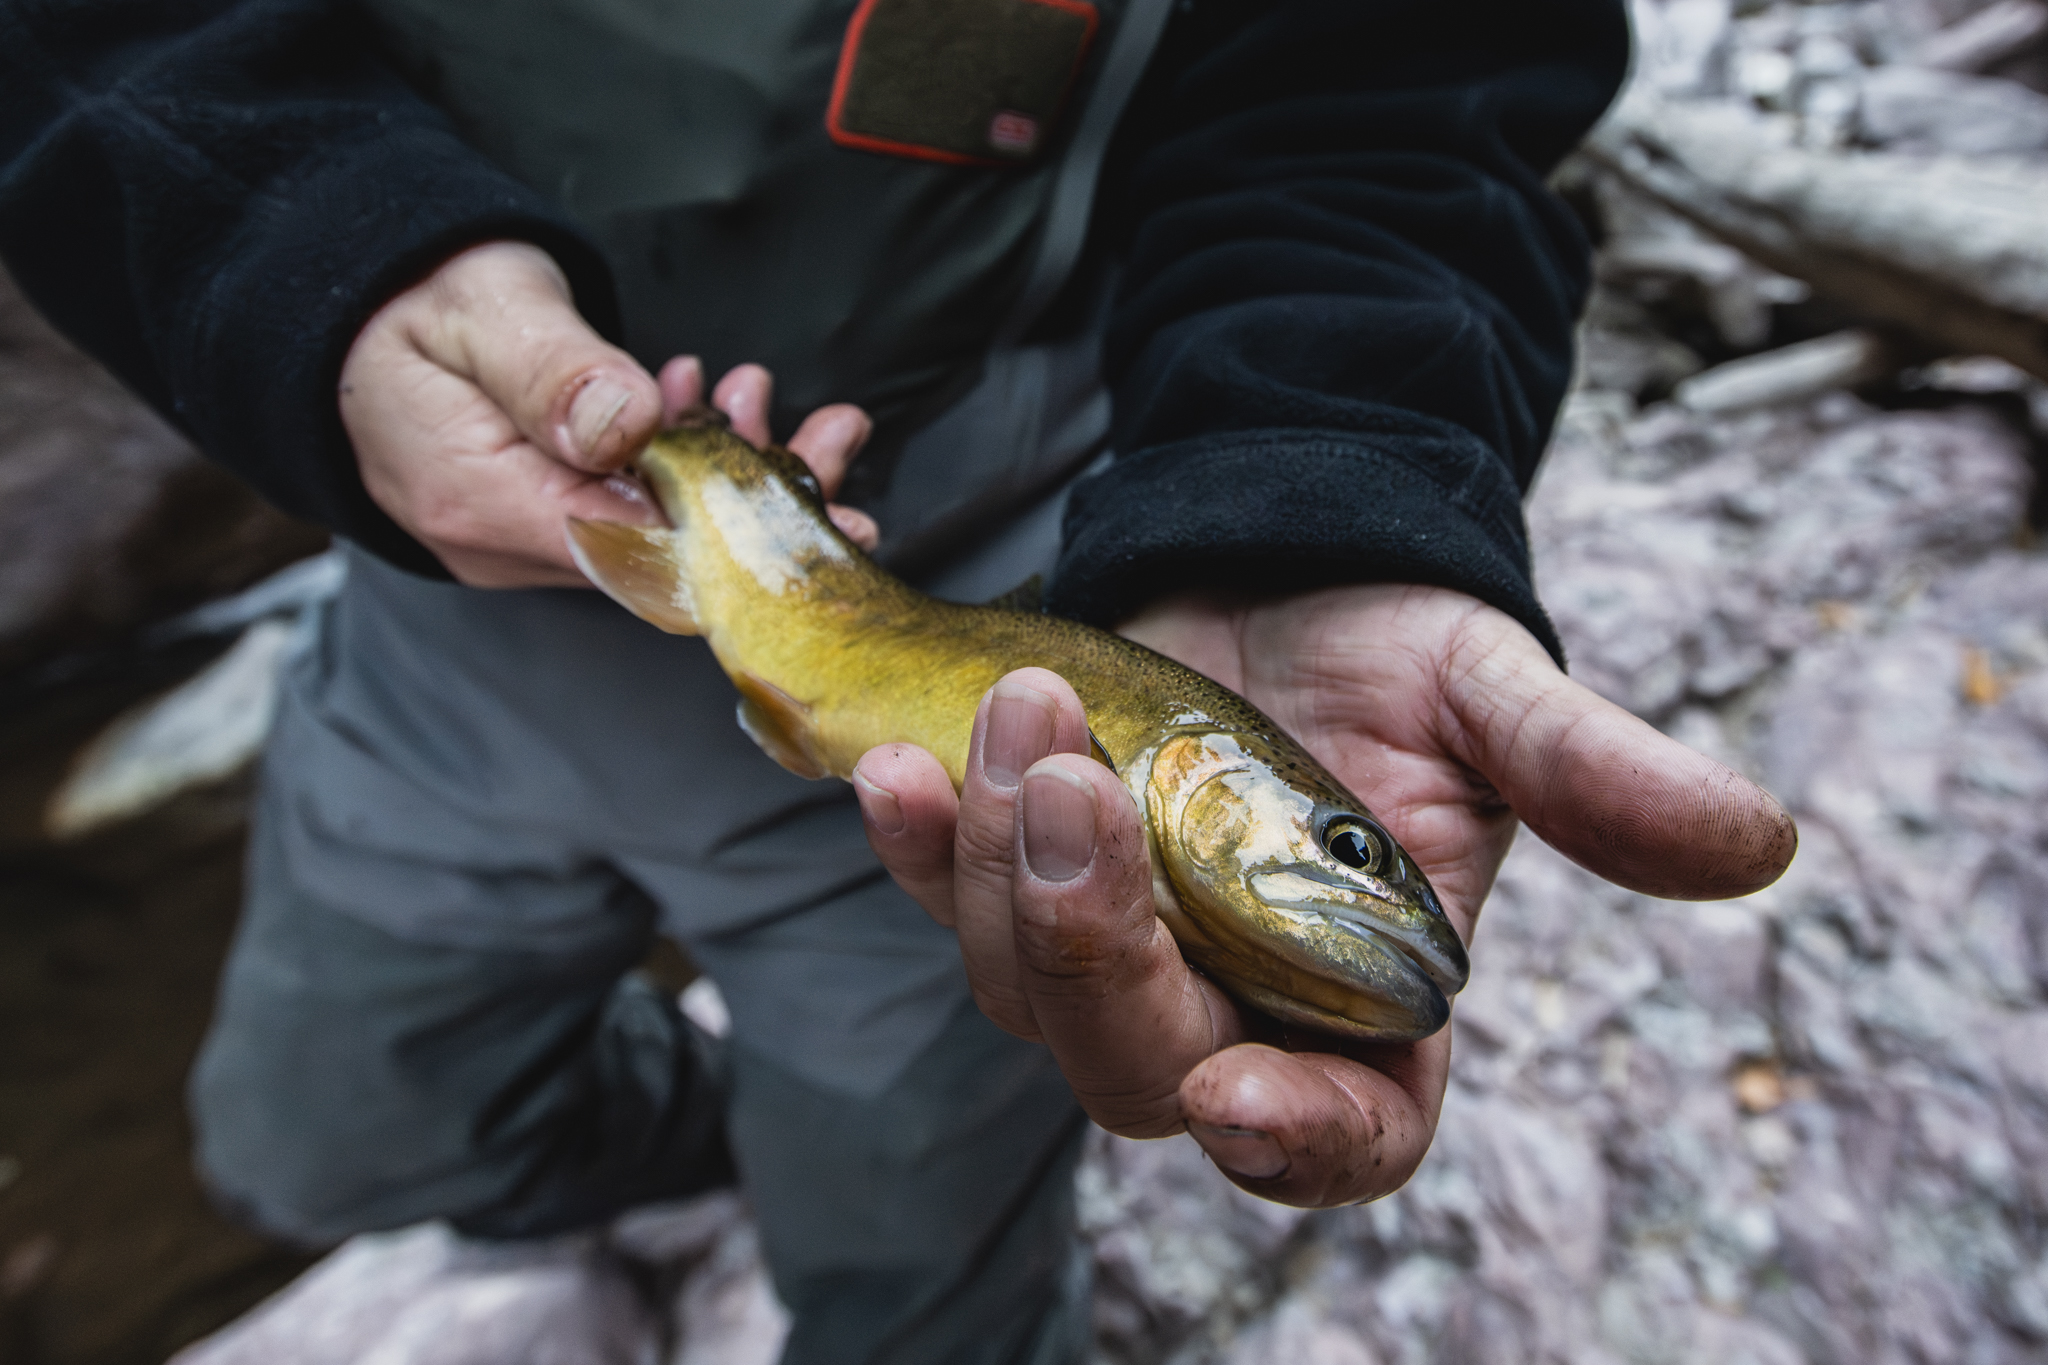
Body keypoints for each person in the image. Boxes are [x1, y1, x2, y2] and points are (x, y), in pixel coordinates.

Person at [0, 0, 1795, 1359]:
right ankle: (692, 1137)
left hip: (1023, 584)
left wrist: (1316, 484)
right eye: (1344, 855)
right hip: (437, 569)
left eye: (1338, 857)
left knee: (922, 1303)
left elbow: (1399, 93)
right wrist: (317, 257)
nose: (1358, 882)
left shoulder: (1143, 736)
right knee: (317, 1144)